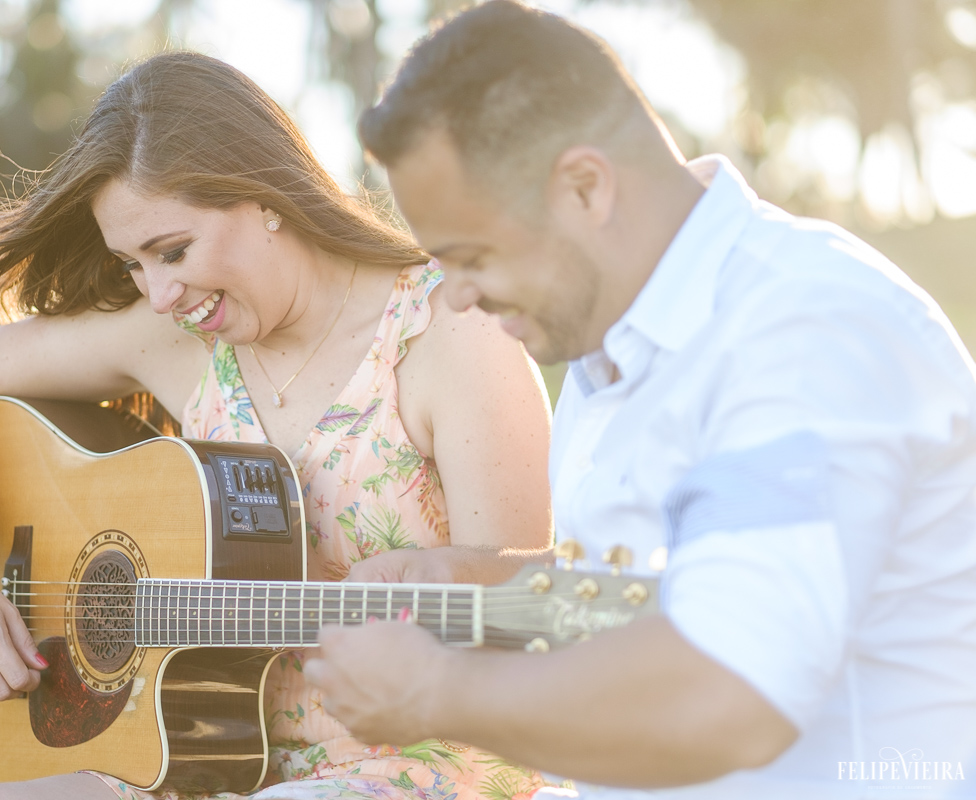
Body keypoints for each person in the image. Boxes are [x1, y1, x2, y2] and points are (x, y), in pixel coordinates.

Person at [301, 3, 976, 799]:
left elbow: (731, 691)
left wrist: (435, 693)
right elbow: (660, 591)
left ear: (585, 187)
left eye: (472, 255)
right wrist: (473, 582)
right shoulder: (611, 340)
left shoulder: (800, 329)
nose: (455, 297)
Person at [0, 51, 555, 800]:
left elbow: (523, 603)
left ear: (265, 195)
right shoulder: (175, 339)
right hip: (198, 758)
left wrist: (442, 592)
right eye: (132, 265)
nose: (159, 293)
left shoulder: (452, 332)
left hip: (419, 761)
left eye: (173, 251)